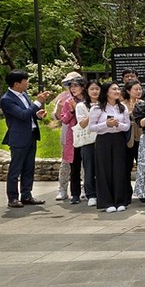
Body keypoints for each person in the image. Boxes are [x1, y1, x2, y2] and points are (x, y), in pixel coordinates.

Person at [0, 69, 53, 209]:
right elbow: (22, 115)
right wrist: (37, 102)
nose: (27, 83)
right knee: (16, 168)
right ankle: (12, 197)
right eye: (25, 81)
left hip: (31, 134)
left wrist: (37, 114)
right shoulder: (6, 99)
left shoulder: (24, 95)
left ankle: (26, 195)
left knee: (29, 167)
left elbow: (29, 113)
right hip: (18, 137)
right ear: (16, 84)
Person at [89, 81, 132, 212]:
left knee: (119, 170)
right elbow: (91, 127)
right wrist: (105, 124)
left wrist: (117, 124)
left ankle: (120, 200)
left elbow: (127, 126)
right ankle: (107, 202)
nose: (117, 91)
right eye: (114, 89)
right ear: (106, 91)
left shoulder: (122, 108)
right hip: (104, 140)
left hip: (118, 139)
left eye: (118, 89)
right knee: (104, 170)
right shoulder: (97, 108)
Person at [56, 77, 86, 205]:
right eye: (71, 86)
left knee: (89, 166)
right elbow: (64, 119)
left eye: (75, 86)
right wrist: (72, 110)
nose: (73, 89)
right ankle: (75, 194)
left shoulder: (88, 101)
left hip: (87, 136)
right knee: (74, 167)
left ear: (83, 87)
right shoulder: (68, 102)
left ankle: (89, 191)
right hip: (74, 137)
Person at [73, 80, 100, 206]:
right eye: (92, 89)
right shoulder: (81, 106)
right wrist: (92, 113)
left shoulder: (105, 104)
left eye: (97, 89)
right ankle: (91, 194)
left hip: (103, 139)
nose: (95, 91)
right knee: (89, 168)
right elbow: (82, 124)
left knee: (102, 168)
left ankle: (102, 192)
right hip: (88, 141)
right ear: (87, 91)